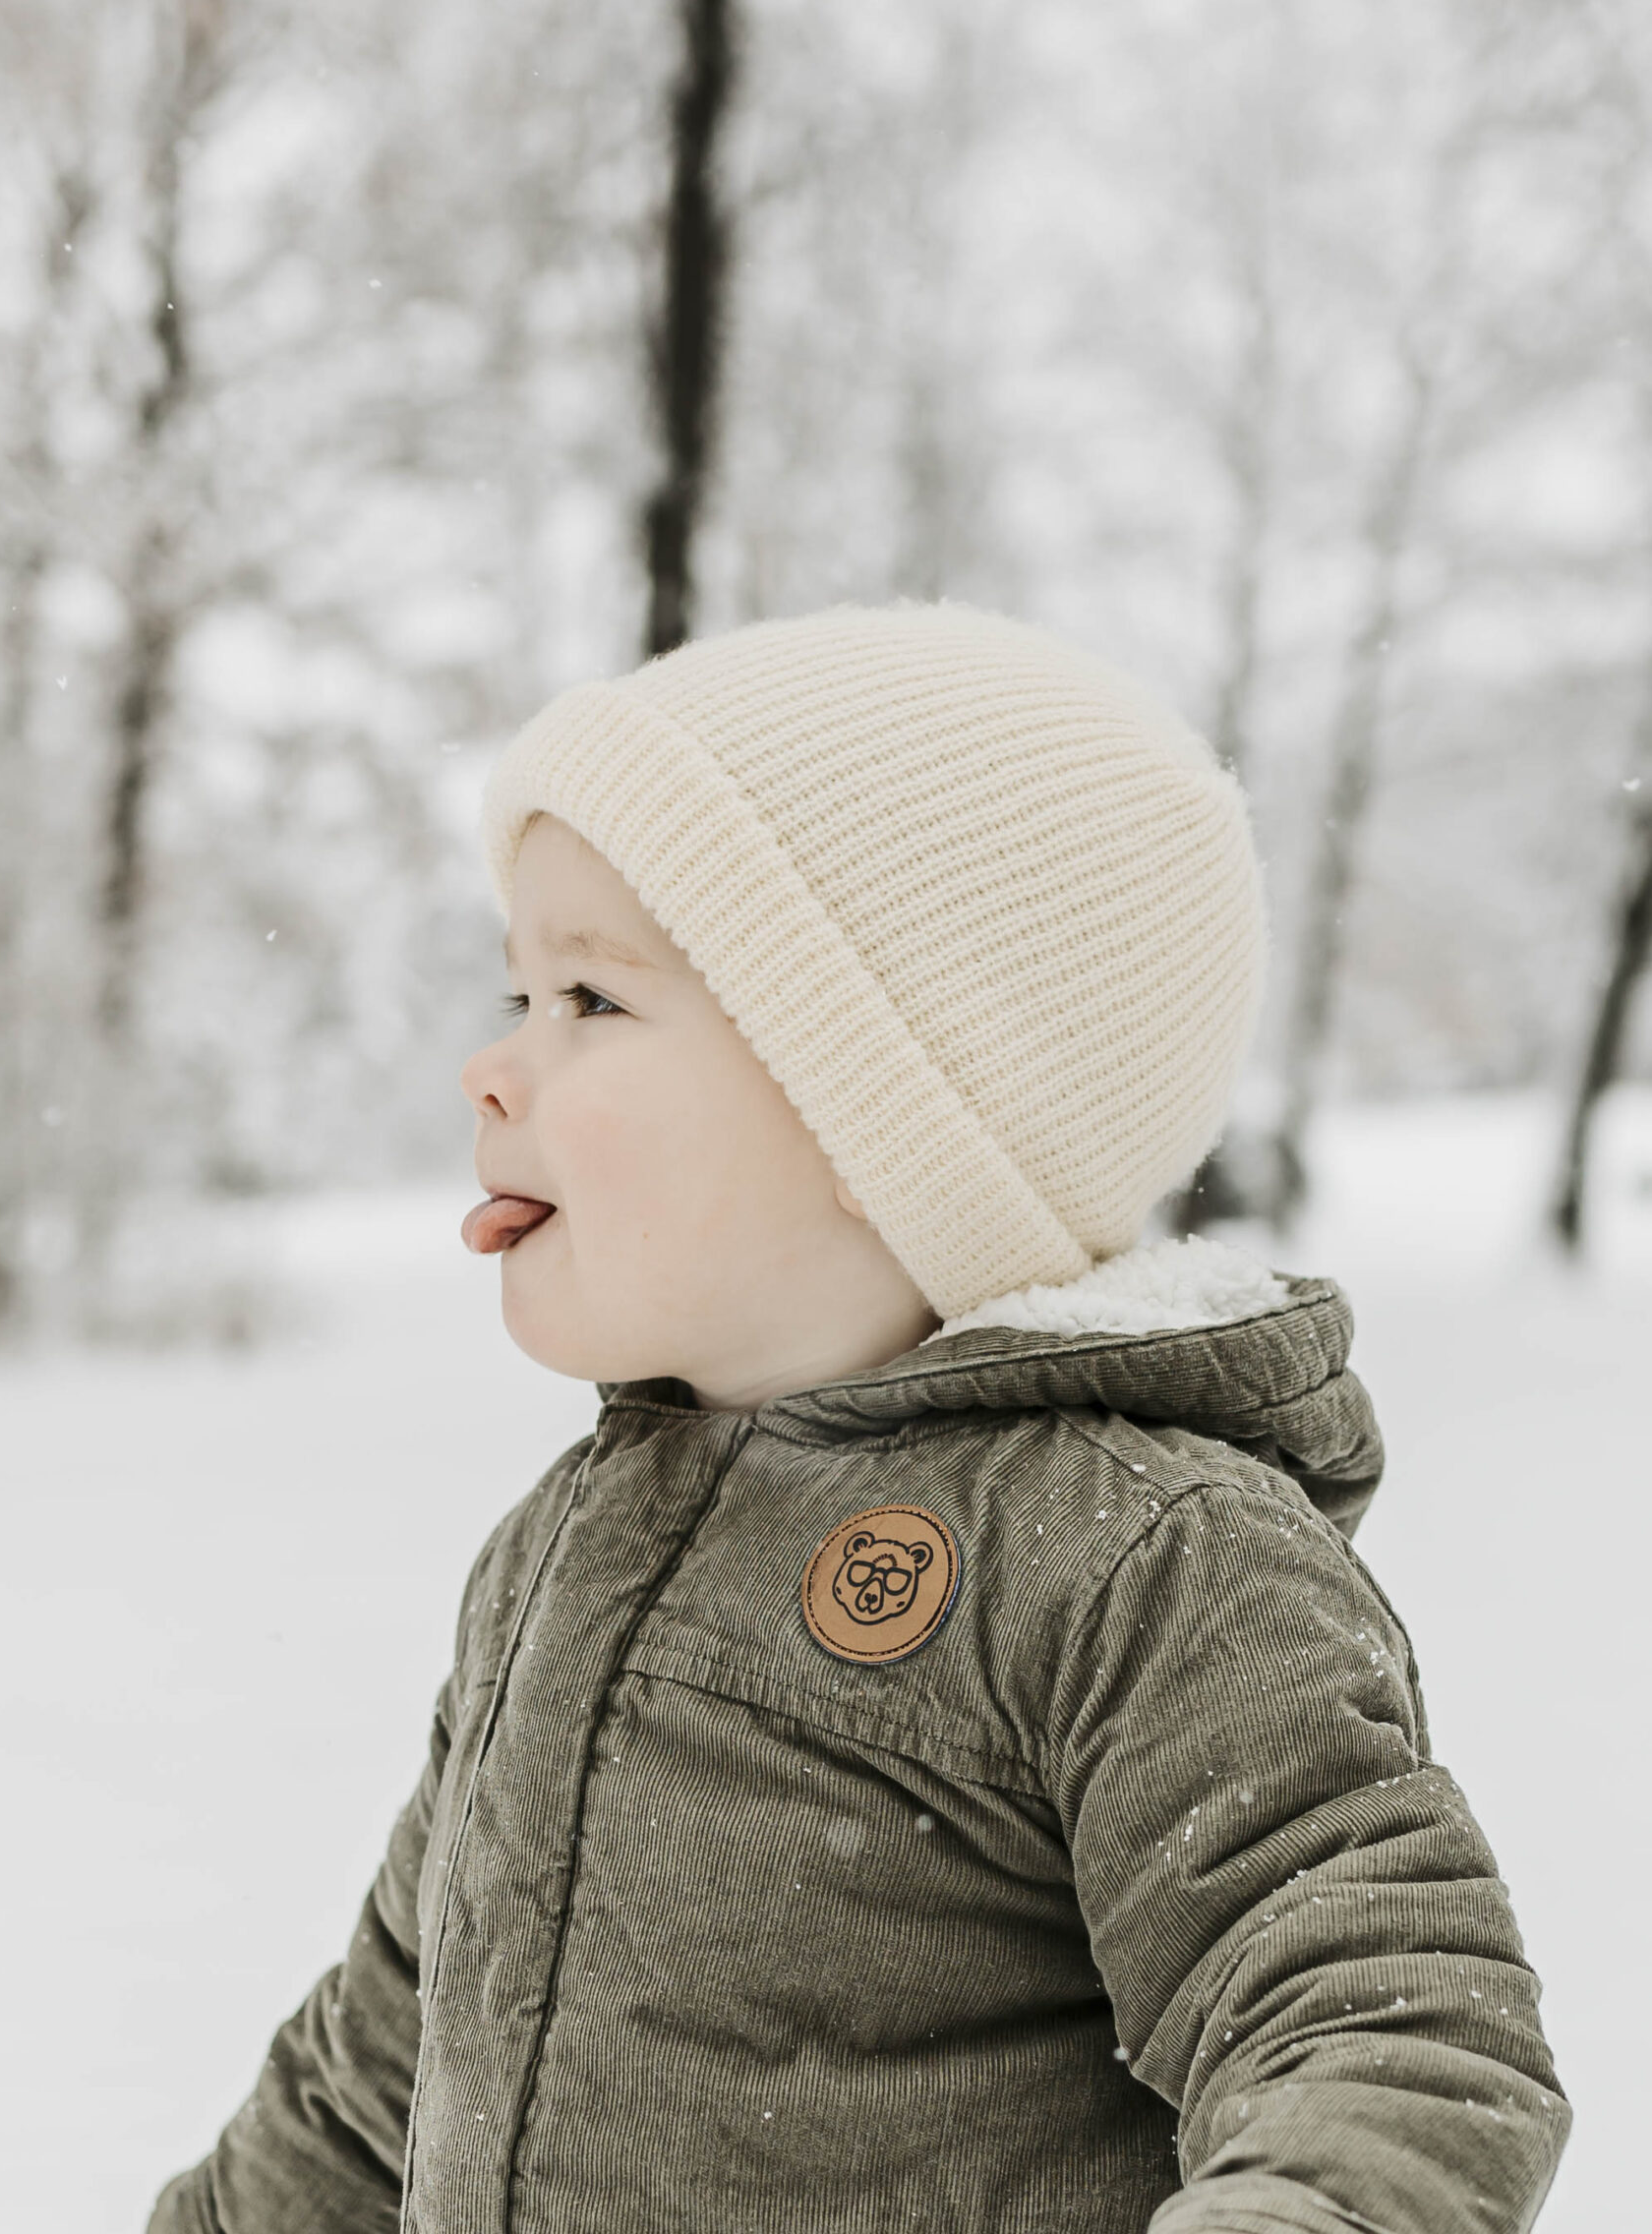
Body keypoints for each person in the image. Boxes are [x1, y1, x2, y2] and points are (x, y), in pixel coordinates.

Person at [148, 599, 1569, 2233]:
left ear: (874, 1109)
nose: (493, 1063)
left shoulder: (1140, 1558)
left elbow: (1383, 2011)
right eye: (515, 991)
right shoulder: (567, 1547)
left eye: (591, 1003)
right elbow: (381, 2070)